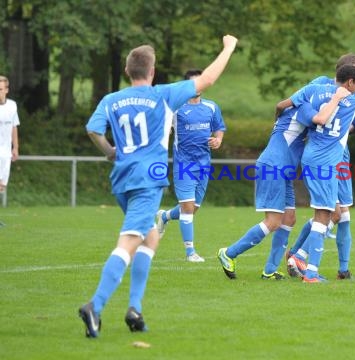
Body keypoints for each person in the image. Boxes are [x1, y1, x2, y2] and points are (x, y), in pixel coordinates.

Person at [78, 35, 238, 338]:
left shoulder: (111, 99)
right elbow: (207, 79)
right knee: (128, 242)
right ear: (152, 73)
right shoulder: (162, 95)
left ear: (128, 71)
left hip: (122, 179)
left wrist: (110, 151)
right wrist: (228, 47)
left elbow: (92, 129)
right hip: (147, 180)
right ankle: (95, 306)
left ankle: (135, 310)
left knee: (150, 239)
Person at [286, 53, 355, 280]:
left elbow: (301, 112)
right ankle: (301, 260)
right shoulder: (349, 98)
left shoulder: (318, 92)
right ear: (349, 78)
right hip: (327, 159)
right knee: (329, 214)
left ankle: (335, 268)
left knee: (338, 213)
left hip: (328, 156)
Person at [216, 95, 310, 280]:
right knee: (273, 221)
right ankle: (229, 253)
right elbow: (322, 122)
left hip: (284, 169)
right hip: (274, 167)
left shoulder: (293, 110)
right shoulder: (304, 110)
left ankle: (270, 271)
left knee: (289, 219)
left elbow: (280, 107)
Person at [156, 69, 226, 262]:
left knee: (192, 209)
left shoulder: (211, 107)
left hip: (204, 165)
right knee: (187, 209)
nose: (197, 86)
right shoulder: (176, 108)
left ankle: (165, 216)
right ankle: (190, 253)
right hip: (184, 164)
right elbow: (162, 127)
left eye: (200, 82)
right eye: (193, 83)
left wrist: (218, 140)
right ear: (187, 86)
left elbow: (219, 128)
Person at [0, 76, 20, 194]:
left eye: (0, 89)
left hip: (6, 153)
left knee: (2, 186)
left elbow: (14, 126)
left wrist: (15, 147)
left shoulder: (12, 106)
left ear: (6, 90)